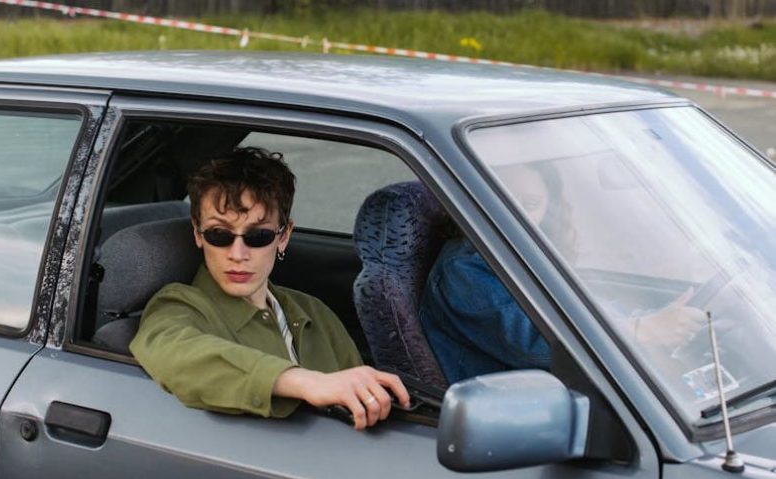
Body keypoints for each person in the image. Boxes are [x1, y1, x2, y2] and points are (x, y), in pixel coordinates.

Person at [130, 147, 408, 431]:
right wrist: (307, 382)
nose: (238, 254)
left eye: (258, 236)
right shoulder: (179, 306)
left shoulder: (315, 313)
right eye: (219, 234)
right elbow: (175, 352)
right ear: (198, 234)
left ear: (284, 236)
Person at [419, 161, 707, 384]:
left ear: (548, 206)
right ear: (475, 199)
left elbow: (583, 310)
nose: (514, 213)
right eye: (501, 198)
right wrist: (640, 331)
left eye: (530, 204)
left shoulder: (526, 254)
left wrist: (646, 321)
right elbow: (539, 345)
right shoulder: (463, 269)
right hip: (509, 418)